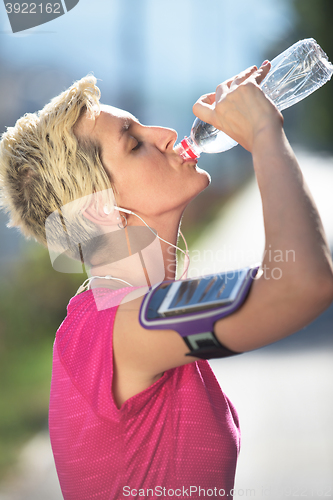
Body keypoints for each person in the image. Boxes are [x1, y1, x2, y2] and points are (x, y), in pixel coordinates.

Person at [0, 62, 333, 500]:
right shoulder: (117, 329)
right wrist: (265, 136)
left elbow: (286, 281)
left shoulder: (123, 314)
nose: (167, 135)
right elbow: (300, 285)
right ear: (100, 211)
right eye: (135, 144)